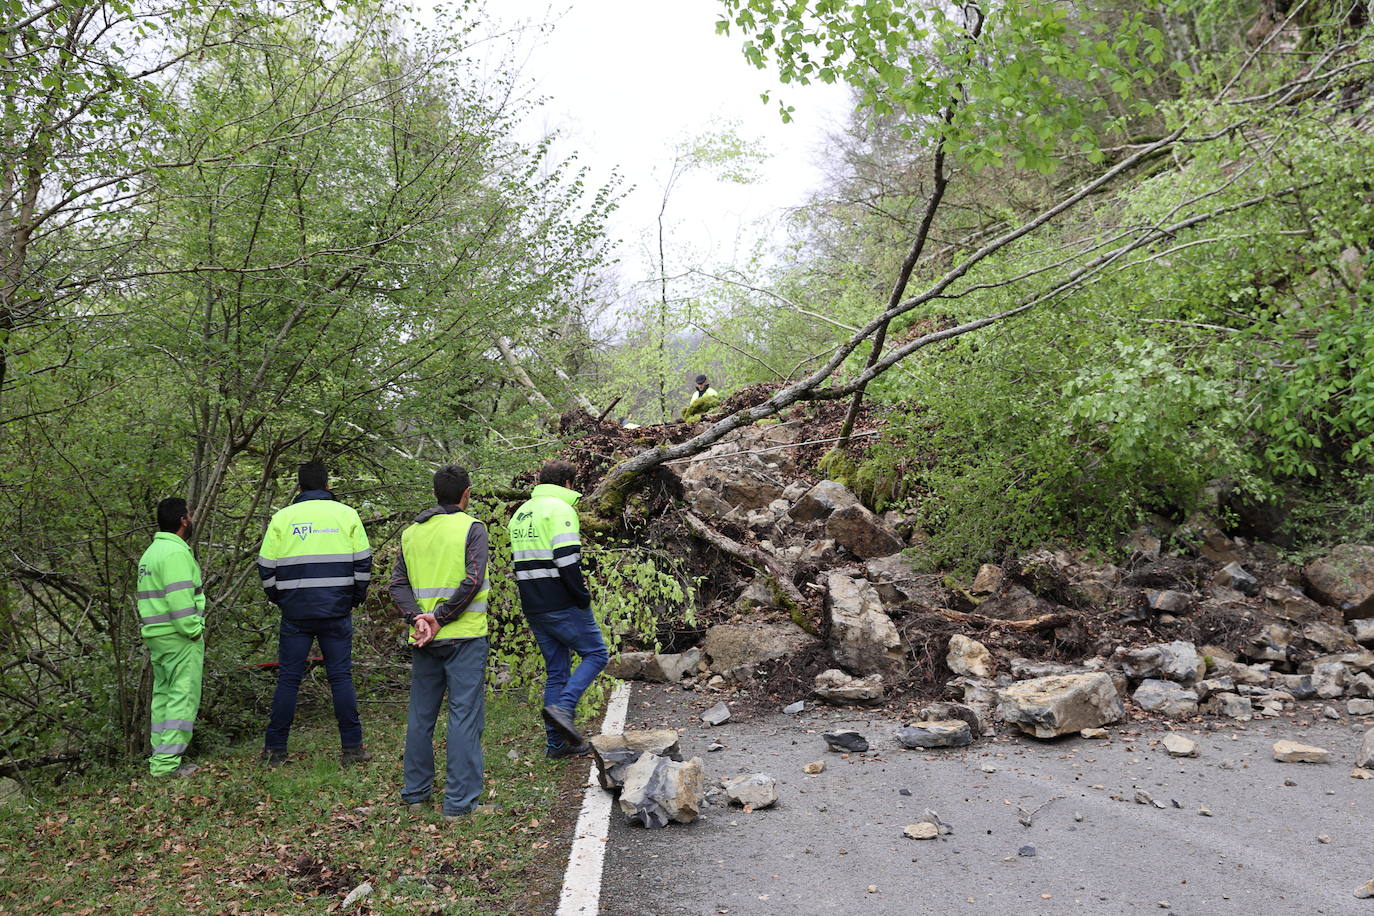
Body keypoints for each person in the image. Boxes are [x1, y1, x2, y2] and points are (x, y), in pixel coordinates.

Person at [389, 464, 492, 819]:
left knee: (421, 716)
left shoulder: (410, 533)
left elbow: (398, 584)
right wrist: (441, 616)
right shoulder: (472, 528)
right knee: (464, 717)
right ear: (467, 493)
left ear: (436, 493)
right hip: (463, 636)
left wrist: (417, 617)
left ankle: (416, 796)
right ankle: (460, 805)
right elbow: (473, 579)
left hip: (423, 638)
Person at [256, 460, 373, 766]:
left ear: (299, 487)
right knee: (341, 677)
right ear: (328, 485)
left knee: (288, 680)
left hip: (295, 612)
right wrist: (354, 597)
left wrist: (280, 598)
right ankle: (352, 749)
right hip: (336, 609)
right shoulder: (347, 515)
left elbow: (266, 567)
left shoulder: (283, 518)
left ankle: (275, 751)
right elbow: (363, 563)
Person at [508, 460, 608, 758]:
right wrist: (581, 596)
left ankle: (557, 745)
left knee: (557, 670)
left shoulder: (521, 513)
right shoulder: (560, 509)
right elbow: (566, 559)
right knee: (596, 654)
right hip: (560, 601)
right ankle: (564, 707)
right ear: (567, 483)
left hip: (533, 603)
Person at [136, 497, 206, 778]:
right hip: (179, 638)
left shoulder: (151, 553)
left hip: (157, 637)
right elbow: (180, 601)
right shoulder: (175, 554)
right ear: (183, 520)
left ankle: (160, 760)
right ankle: (167, 766)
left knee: (163, 697)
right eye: (189, 514)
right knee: (182, 697)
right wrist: (194, 629)